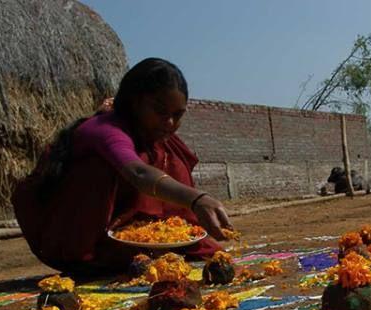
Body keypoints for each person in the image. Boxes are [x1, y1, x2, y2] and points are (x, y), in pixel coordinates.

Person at [13, 58, 233, 275]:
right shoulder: (105, 129)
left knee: (169, 155)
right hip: (80, 238)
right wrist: (195, 199)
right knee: (99, 167)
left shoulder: (155, 137)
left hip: (136, 238)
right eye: (160, 111)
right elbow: (137, 172)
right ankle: (101, 256)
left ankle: (159, 243)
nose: (170, 123)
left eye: (177, 115)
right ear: (134, 103)